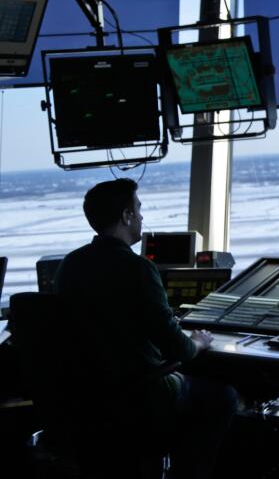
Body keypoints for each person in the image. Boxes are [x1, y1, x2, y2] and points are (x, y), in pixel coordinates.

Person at [54, 178, 238, 478]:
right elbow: (177, 348)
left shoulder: (70, 265)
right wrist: (199, 342)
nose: (141, 217)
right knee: (223, 397)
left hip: (89, 398)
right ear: (126, 216)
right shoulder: (138, 268)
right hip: (140, 392)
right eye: (138, 210)